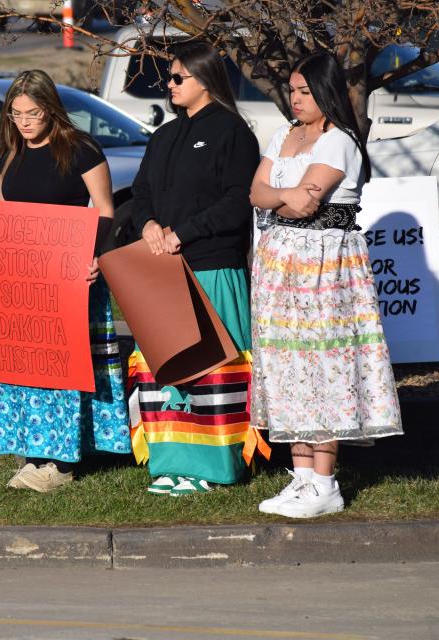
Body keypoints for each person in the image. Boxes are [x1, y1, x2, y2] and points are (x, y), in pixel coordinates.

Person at [0, 69, 130, 493]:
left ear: (51, 109)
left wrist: (94, 257)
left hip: (70, 278)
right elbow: (5, 216)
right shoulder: (9, 153)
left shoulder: (80, 149)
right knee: (23, 364)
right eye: (16, 114)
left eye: (32, 113)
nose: (24, 122)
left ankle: (60, 460)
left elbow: (107, 210)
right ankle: (33, 452)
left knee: (61, 366)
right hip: (21, 282)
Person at [249, 52, 402, 518]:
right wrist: (282, 197)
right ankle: (300, 477)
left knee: (322, 365)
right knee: (286, 365)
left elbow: (307, 206)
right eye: (293, 91)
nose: (296, 99)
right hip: (279, 264)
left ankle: (325, 480)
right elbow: (255, 193)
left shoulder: (338, 142)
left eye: (305, 91)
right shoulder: (282, 135)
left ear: (326, 92)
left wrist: (282, 200)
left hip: (323, 266)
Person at [127, 43, 263, 496]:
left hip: (211, 267)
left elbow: (237, 201)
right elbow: (141, 191)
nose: (169, 84)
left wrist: (183, 232)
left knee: (212, 372)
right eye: (170, 77)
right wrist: (146, 224)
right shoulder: (163, 135)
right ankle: (170, 462)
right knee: (167, 373)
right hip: (163, 273)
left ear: (204, 79)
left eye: (177, 77)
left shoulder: (233, 132)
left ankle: (217, 464)